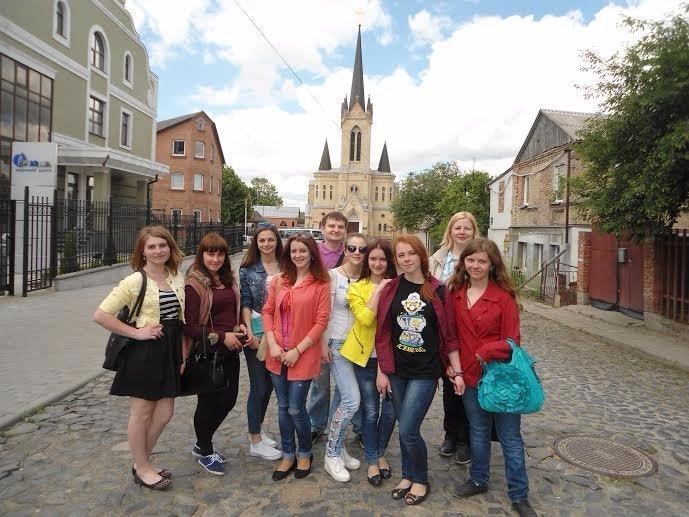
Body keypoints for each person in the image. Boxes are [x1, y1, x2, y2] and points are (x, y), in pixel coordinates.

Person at [448, 238, 536, 517]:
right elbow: (451, 336)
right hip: (469, 376)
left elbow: (513, 341)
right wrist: (451, 367)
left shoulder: (503, 298)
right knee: (478, 430)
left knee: (510, 437)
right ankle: (478, 479)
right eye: (470, 260)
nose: (475, 265)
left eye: (482, 261)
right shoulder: (456, 294)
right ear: (464, 262)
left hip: (501, 379)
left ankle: (519, 495)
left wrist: (487, 350)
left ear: (492, 265)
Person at [93, 226, 185, 491]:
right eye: (151, 246)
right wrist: (137, 333)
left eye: (162, 245)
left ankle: (141, 461)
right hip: (144, 353)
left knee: (165, 413)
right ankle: (143, 468)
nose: (158, 251)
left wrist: (181, 352)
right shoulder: (135, 281)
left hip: (169, 351)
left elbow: (179, 319)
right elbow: (101, 315)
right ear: (142, 252)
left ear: (170, 248)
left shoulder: (176, 276)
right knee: (142, 414)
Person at [375, 234, 463, 506]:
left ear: (421, 255)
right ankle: (407, 476)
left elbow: (449, 335)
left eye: (410, 253)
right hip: (397, 370)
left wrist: (457, 371)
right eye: (400, 255)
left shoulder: (438, 290)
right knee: (404, 426)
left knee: (408, 429)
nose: (406, 259)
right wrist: (382, 370)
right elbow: (383, 333)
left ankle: (421, 479)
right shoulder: (391, 288)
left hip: (425, 372)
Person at [263, 235, 331, 481]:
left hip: (302, 354)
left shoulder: (321, 284)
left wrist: (297, 350)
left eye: (303, 251)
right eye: (293, 251)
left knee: (295, 408)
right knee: (282, 408)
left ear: (312, 254)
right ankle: (288, 454)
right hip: (277, 353)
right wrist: (272, 343)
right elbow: (267, 311)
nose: (298, 255)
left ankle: (305, 453)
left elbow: (321, 322)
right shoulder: (280, 280)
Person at [184, 233, 247, 476]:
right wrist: (222, 337)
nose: (215, 259)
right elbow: (190, 327)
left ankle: (202, 443)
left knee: (229, 399)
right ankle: (205, 449)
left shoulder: (227, 279)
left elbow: (233, 310)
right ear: (201, 255)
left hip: (230, 349)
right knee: (208, 403)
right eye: (210, 253)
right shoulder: (195, 283)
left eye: (220, 253)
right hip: (209, 352)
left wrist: (240, 326)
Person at [343, 239, 397, 486]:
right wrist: (379, 289)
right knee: (371, 410)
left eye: (382, 259)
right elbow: (365, 319)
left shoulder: (399, 286)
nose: (377, 263)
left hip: (393, 359)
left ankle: (380, 452)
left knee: (390, 411)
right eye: (373, 258)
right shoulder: (357, 288)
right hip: (366, 359)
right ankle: (373, 460)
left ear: (389, 261)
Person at [429, 212, 479, 465]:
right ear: (450, 231)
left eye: (466, 228)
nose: (461, 232)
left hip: (469, 328)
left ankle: (466, 439)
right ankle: (451, 434)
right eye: (457, 227)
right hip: (443, 329)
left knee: (467, 383)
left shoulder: (479, 257)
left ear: (473, 231)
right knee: (449, 383)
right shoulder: (437, 259)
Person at [321, 233, 368, 482]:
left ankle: (338, 448)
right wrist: (322, 342)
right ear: (345, 250)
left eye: (362, 249)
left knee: (341, 399)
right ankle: (330, 455)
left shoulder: (367, 278)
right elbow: (322, 312)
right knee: (351, 401)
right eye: (352, 248)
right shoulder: (332, 276)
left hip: (358, 348)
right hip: (337, 345)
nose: (357, 253)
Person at [239, 223, 283, 461]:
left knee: (270, 386)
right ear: (256, 243)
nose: (266, 244)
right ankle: (254, 440)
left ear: (277, 241)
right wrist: (248, 331)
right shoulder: (248, 269)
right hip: (257, 330)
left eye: (270, 239)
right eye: (262, 240)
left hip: (281, 331)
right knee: (259, 386)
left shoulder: (287, 266)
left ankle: (258, 430)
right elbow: (245, 302)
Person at [308, 211, 348, 443]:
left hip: (343, 324)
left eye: (340, 227)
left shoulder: (351, 252)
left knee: (345, 383)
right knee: (320, 381)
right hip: (317, 323)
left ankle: (337, 423)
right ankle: (316, 423)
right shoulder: (313, 253)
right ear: (322, 227)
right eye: (331, 226)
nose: (335, 230)